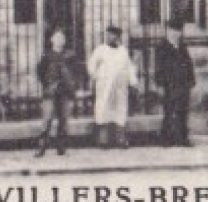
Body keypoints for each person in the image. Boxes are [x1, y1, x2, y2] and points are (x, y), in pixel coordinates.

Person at [87, 24, 138, 148]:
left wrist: (133, 82)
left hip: (120, 87)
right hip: (104, 86)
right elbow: (92, 64)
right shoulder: (100, 50)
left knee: (120, 111)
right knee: (103, 109)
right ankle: (103, 140)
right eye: (109, 35)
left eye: (114, 35)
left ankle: (120, 139)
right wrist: (95, 76)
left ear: (118, 37)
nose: (111, 37)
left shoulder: (123, 51)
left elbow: (129, 67)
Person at [36, 27, 78, 157]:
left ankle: (62, 147)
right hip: (50, 92)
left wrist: (71, 86)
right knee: (47, 119)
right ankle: (42, 147)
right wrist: (47, 85)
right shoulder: (47, 56)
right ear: (51, 39)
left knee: (63, 120)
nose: (59, 40)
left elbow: (76, 72)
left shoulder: (70, 55)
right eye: (57, 37)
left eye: (62, 38)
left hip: (65, 92)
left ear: (65, 41)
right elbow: (40, 72)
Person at [153, 17, 196, 146]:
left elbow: (189, 63)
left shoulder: (182, 46)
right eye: (174, 30)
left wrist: (191, 79)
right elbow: (159, 66)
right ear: (168, 31)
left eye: (179, 30)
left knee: (183, 111)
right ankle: (166, 138)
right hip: (170, 84)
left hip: (183, 84)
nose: (176, 33)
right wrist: (160, 82)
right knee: (169, 111)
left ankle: (183, 138)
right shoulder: (162, 46)